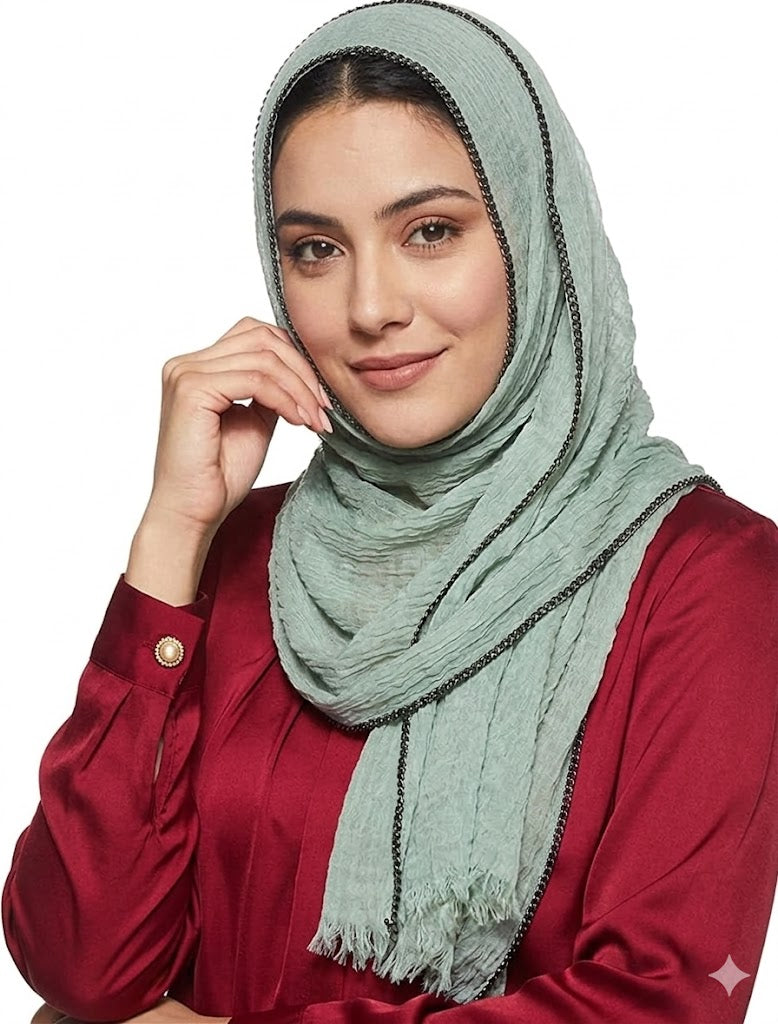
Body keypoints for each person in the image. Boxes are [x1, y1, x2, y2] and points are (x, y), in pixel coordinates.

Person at [4, 2, 778, 1022]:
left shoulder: (707, 580)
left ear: (536, 233)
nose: (371, 307)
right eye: (316, 249)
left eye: (431, 232)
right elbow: (78, 962)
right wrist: (170, 536)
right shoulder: (243, 553)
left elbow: (660, 1002)